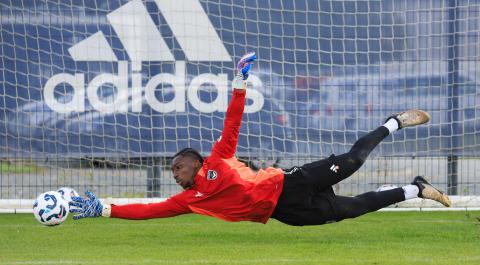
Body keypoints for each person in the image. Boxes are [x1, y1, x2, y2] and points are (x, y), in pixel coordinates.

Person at [70, 52, 451, 226]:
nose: (174, 173)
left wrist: (240, 83)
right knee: (352, 210)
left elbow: (232, 122)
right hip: (284, 213)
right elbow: (148, 210)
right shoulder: (189, 200)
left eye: (177, 166)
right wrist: (104, 209)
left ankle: (393, 123)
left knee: (352, 163)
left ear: (196, 161)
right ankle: (416, 190)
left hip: (289, 183)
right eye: (172, 170)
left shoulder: (218, 159)